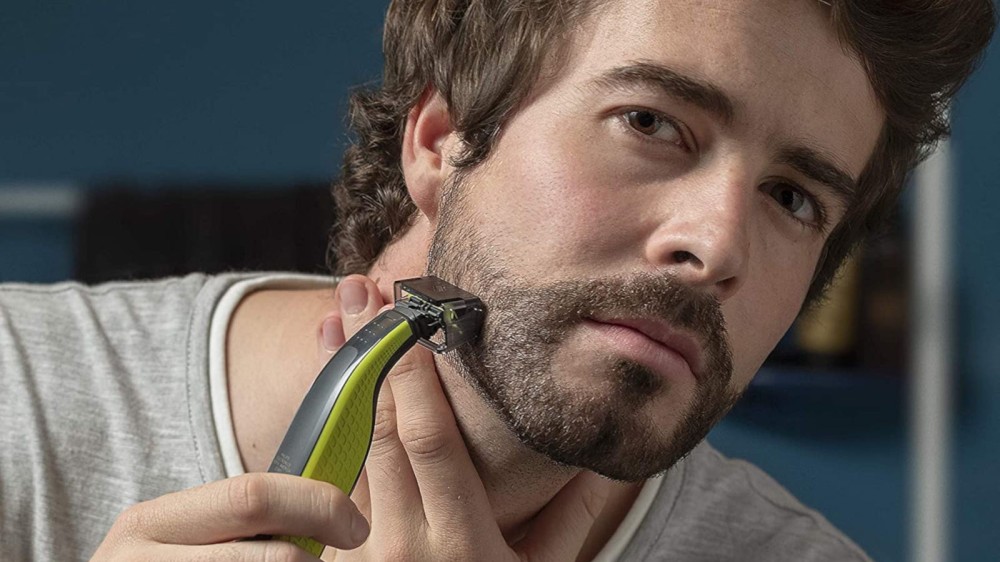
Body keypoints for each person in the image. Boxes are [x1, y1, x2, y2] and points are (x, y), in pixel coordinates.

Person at [1, 0, 994, 560]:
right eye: (650, 122)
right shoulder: (20, 399)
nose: (716, 245)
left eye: (793, 197)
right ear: (440, 138)